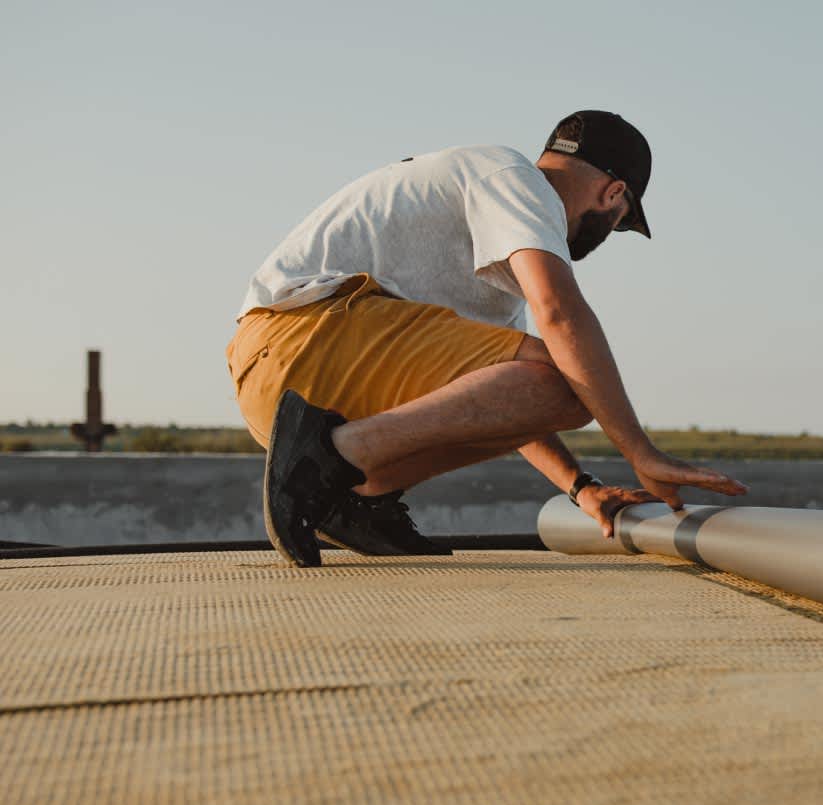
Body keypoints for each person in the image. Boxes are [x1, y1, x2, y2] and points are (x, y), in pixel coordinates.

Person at [226, 110, 747, 567]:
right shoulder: (513, 178)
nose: (608, 233)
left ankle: (354, 494)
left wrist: (581, 487)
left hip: (291, 371)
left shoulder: (497, 255)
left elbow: (508, 402)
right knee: (573, 376)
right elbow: (562, 315)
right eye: (619, 221)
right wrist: (641, 452)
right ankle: (329, 460)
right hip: (299, 338)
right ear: (614, 196)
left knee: (553, 382)